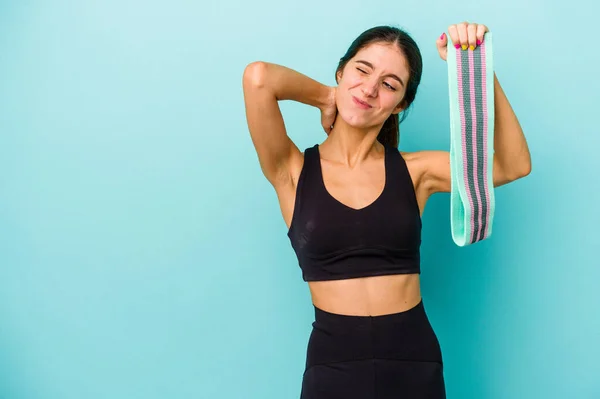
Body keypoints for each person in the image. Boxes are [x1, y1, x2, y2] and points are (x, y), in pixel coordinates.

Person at [242, 22, 531, 399]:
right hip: (333, 366)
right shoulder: (292, 172)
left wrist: (477, 67)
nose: (370, 89)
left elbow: (513, 165)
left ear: (401, 104)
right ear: (341, 71)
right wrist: (329, 97)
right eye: (362, 70)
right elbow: (258, 78)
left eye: (390, 84)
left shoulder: (416, 172)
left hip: (414, 362)